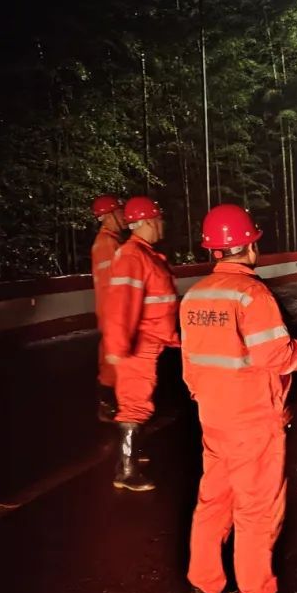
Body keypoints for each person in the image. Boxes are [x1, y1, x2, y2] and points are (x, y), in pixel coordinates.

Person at [180, 203, 297, 593]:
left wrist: (209, 402)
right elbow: (276, 356)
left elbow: (190, 366)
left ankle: (203, 591)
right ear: (250, 245)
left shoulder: (195, 297)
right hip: (252, 422)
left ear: (213, 250)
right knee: (257, 513)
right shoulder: (253, 295)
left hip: (213, 419)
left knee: (212, 504)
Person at [102, 196, 179, 492]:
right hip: (138, 346)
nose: (162, 224)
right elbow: (120, 306)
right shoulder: (132, 256)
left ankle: (132, 456)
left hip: (149, 342)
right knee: (135, 405)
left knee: (141, 402)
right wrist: (119, 348)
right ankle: (126, 471)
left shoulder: (144, 255)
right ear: (147, 221)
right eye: (159, 219)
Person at [90, 195, 125, 422]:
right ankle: (108, 404)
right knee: (112, 361)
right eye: (119, 212)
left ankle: (112, 403)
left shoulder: (110, 241)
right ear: (109, 216)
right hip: (113, 312)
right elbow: (114, 282)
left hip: (112, 311)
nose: (124, 216)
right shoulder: (106, 244)